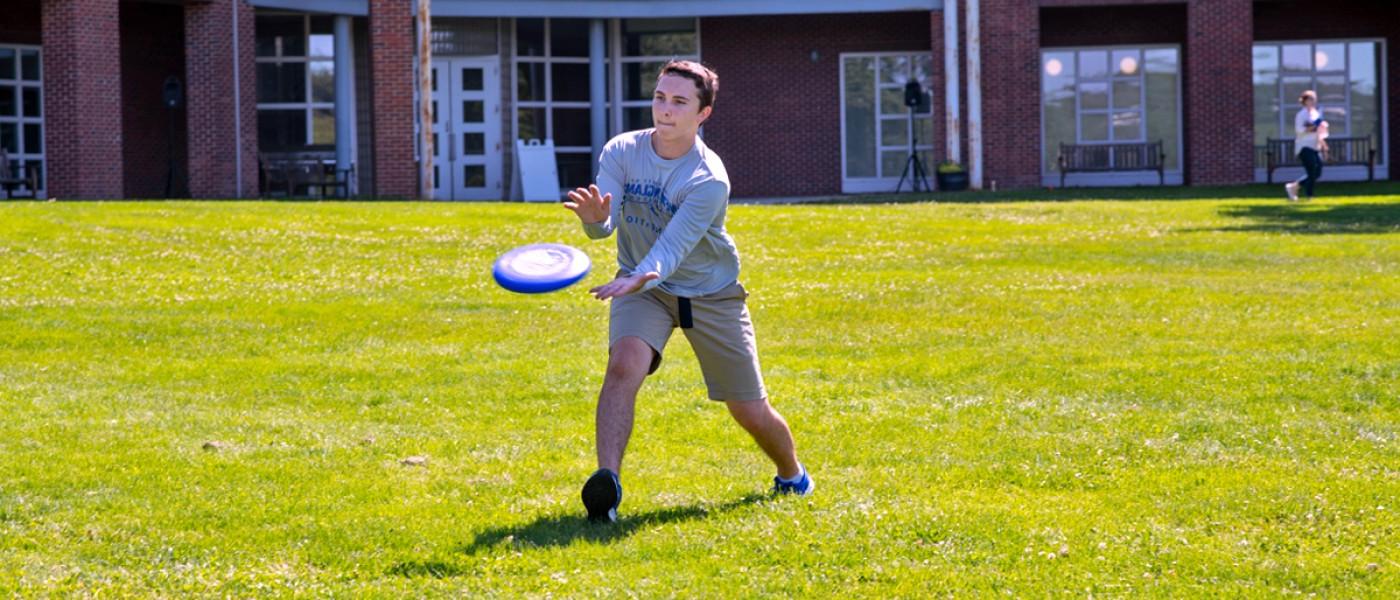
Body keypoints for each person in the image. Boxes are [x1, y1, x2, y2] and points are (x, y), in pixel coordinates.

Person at [562, 60, 812, 523]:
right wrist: (596, 220)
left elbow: (673, 248)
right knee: (623, 365)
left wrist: (642, 274)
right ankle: (607, 489)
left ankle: (792, 473)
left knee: (748, 409)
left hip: (708, 291)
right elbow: (605, 227)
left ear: (703, 114)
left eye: (679, 102)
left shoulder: (708, 178)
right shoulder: (621, 150)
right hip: (641, 286)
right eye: (660, 98)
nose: (665, 110)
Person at [1285, 90, 1327, 202]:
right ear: (1304, 101)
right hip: (1304, 146)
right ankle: (1310, 195)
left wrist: (1323, 144)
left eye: (1314, 99)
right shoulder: (1301, 115)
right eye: (1310, 99)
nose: (1312, 102)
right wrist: (1312, 127)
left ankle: (1293, 187)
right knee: (1312, 170)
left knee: (1318, 172)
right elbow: (1299, 130)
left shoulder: (1316, 114)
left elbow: (1319, 130)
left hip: (1315, 146)